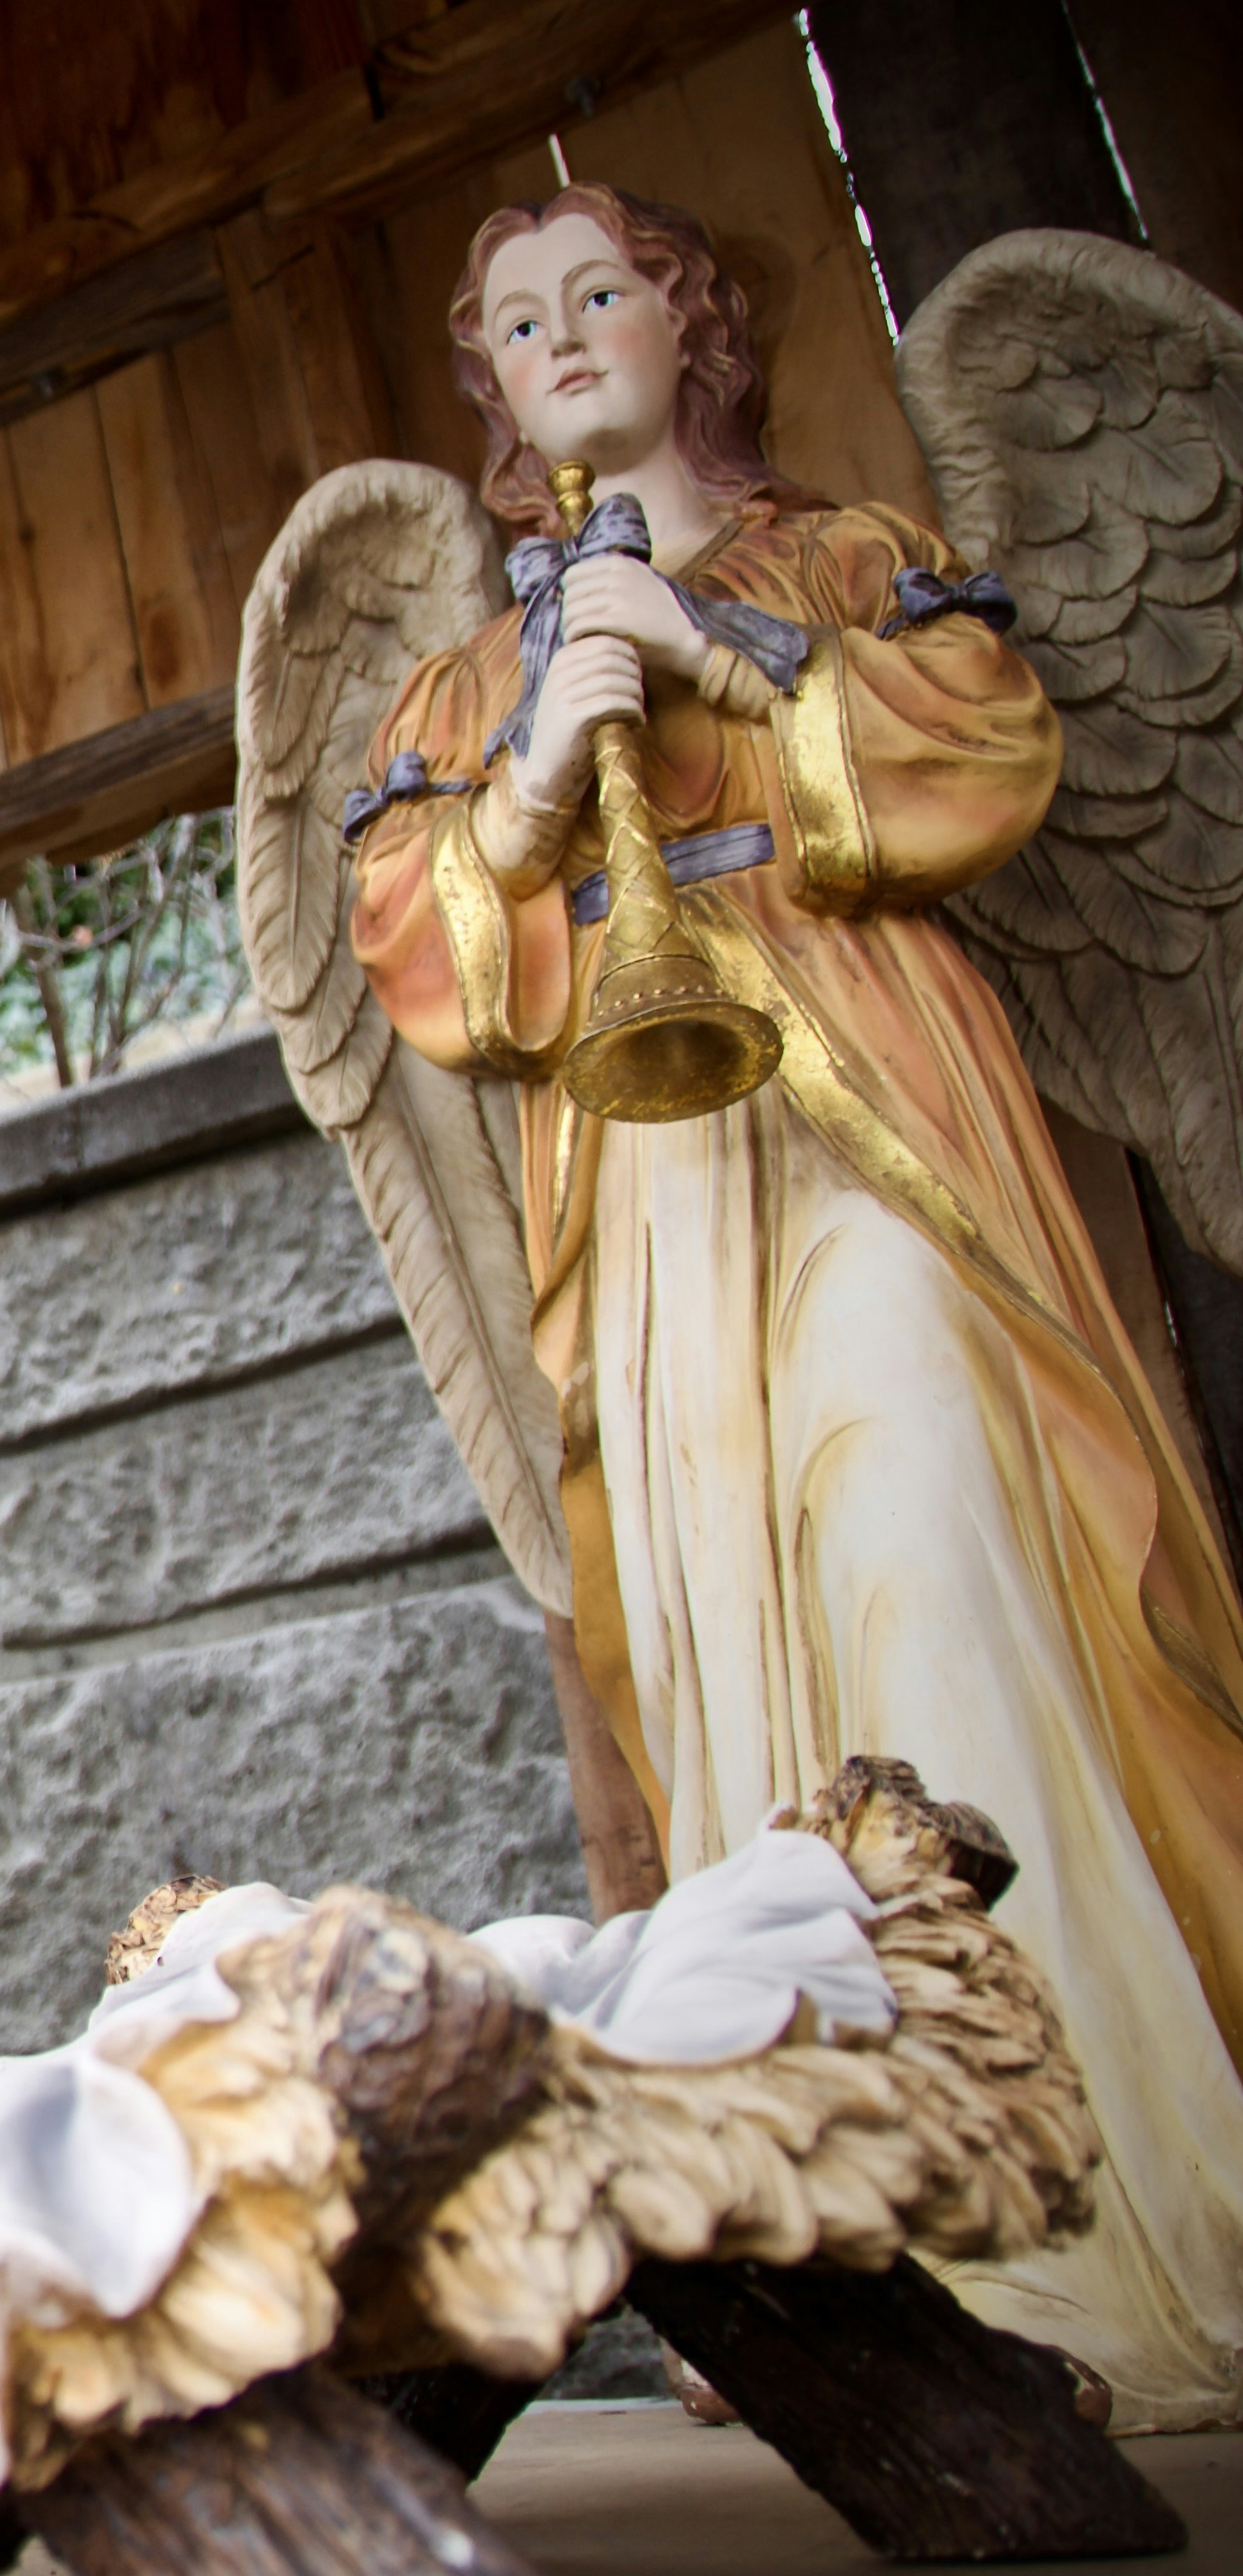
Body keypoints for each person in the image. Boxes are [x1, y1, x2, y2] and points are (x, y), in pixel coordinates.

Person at [343, 182, 1243, 2425]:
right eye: (516, 319)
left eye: (603, 292)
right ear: (491, 384)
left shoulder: (840, 559)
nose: (562, 334)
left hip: (872, 1109)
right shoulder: (469, 679)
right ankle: (856, 2242)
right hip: (645, 1182)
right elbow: (418, 950)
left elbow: (983, 750)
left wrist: (726, 653)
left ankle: (1089, 2209)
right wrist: (530, 782)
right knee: (729, 1636)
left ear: (695, 327)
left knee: (930, 1543)